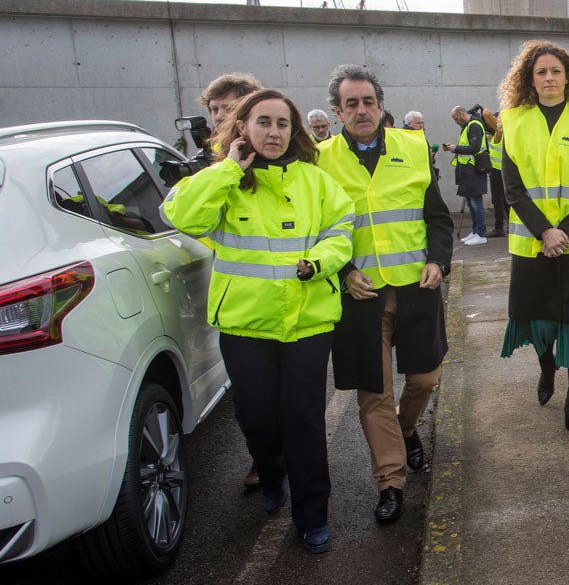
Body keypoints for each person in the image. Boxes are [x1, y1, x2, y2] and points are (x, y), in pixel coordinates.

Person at [161, 88, 355, 554]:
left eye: (282, 124)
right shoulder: (224, 180)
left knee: (304, 421)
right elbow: (180, 214)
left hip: (307, 322)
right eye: (263, 122)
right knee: (257, 418)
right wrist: (230, 167)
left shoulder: (317, 181)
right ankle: (270, 473)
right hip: (246, 325)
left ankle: (313, 515)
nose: (273, 132)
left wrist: (318, 262)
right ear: (243, 128)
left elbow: (341, 234)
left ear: (295, 132)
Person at [317, 64, 454, 525]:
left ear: (381, 104)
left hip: (417, 289)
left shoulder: (413, 148)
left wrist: (438, 260)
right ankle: (390, 482)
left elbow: (437, 217)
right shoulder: (320, 161)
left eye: (368, 101)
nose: (361, 110)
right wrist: (342, 273)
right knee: (373, 393)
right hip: (361, 300)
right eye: (350, 103)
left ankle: (408, 427)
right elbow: (316, 235)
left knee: (425, 379)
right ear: (338, 111)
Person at [496, 42, 569, 444]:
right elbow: (512, 188)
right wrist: (545, 231)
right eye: (541, 72)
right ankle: (547, 367)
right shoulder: (511, 120)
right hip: (533, 244)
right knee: (540, 323)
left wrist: (565, 233)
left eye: (556, 71)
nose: (548, 78)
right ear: (529, 78)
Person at [195, 71, 264, 491]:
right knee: (250, 401)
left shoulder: (283, 159)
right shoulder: (216, 166)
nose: (218, 116)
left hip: (290, 300)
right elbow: (191, 220)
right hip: (238, 303)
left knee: (292, 401)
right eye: (213, 109)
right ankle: (264, 458)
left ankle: (280, 463)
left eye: (226, 108)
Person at [444, 105, 490, 245]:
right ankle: (475, 231)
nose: (456, 121)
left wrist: (455, 149)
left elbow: (475, 148)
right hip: (467, 170)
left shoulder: (474, 125)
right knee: (471, 203)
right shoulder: (467, 126)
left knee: (476, 203)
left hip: (474, 170)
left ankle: (481, 234)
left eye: (456, 118)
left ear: (463, 114)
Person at [479, 107, 507, 237]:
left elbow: (487, 114)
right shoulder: (494, 134)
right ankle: (506, 226)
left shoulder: (500, 134)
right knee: (502, 200)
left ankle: (500, 227)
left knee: (499, 200)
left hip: (499, 171)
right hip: (498, 170)